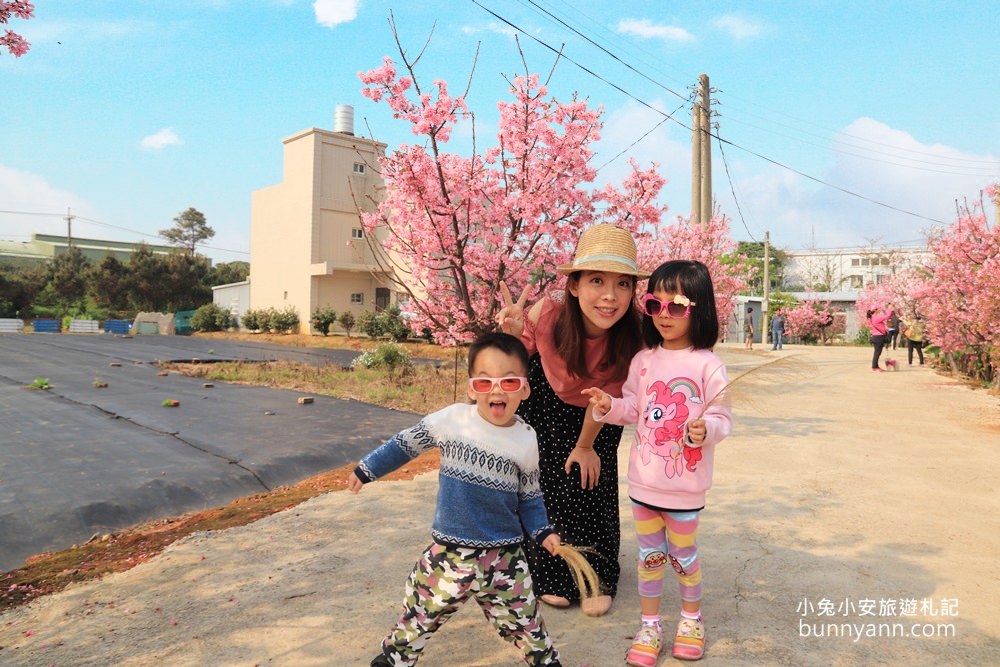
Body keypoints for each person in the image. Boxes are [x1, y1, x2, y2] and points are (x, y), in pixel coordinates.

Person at [348, 332, 563, 667]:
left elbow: (530, 496)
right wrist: (368, 469)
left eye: (508, 382)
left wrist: (543, 531)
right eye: (484, 382)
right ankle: (396, 656)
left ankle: (544, 659)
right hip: (450, 552)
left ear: (524, 389)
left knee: (525, 618)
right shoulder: (451, 421)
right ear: (470, 387)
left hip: (504, 555)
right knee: (422, 606)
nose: (495, 390)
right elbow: (405, 443)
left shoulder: (525, 439)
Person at [582, 260, 733, 663]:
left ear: (698, 310)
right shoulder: (644, 360)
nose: (664, 315)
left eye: (677, 307)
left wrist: (707, 431)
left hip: (685, 488)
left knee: (683, 558)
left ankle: (691, 619)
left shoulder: (708, 365)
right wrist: (608, 405)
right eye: (655, 305)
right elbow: (634, 407)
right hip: (644, 485)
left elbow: (723, 417)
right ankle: (650, 626)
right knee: (649, 560)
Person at [497, 224, 648, 618]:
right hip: (545, 407)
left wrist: (584, 446)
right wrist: (513, 336)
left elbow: (605, 401)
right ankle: (549, 570)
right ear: (576, 285)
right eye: (597, 280)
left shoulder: (632, 340)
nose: (610, 296)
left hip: (597, 413)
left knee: (589, 484)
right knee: (547, 484)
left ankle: (596, 573)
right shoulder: (546, 315)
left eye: (623, 284)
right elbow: (520, 362)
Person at [867, 304, 893, 372]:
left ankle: (876, 366)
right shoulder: (876, 318)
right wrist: (889, 309)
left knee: (877, 352)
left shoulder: (872, 318)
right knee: (877, 353)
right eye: (877, 309)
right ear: (875, 311)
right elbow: (887, 316)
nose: (878, 311)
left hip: (876, 337)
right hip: (879, 337)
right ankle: (874, 367)